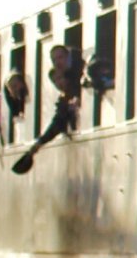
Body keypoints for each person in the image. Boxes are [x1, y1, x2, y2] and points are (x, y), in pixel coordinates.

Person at [11, 45, 84, 175]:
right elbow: (57, 123)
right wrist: (39, 143)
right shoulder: (64, 99)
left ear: (68, 57)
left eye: (60, 57)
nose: (57, 62)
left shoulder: (78, 83)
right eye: (54, 60)